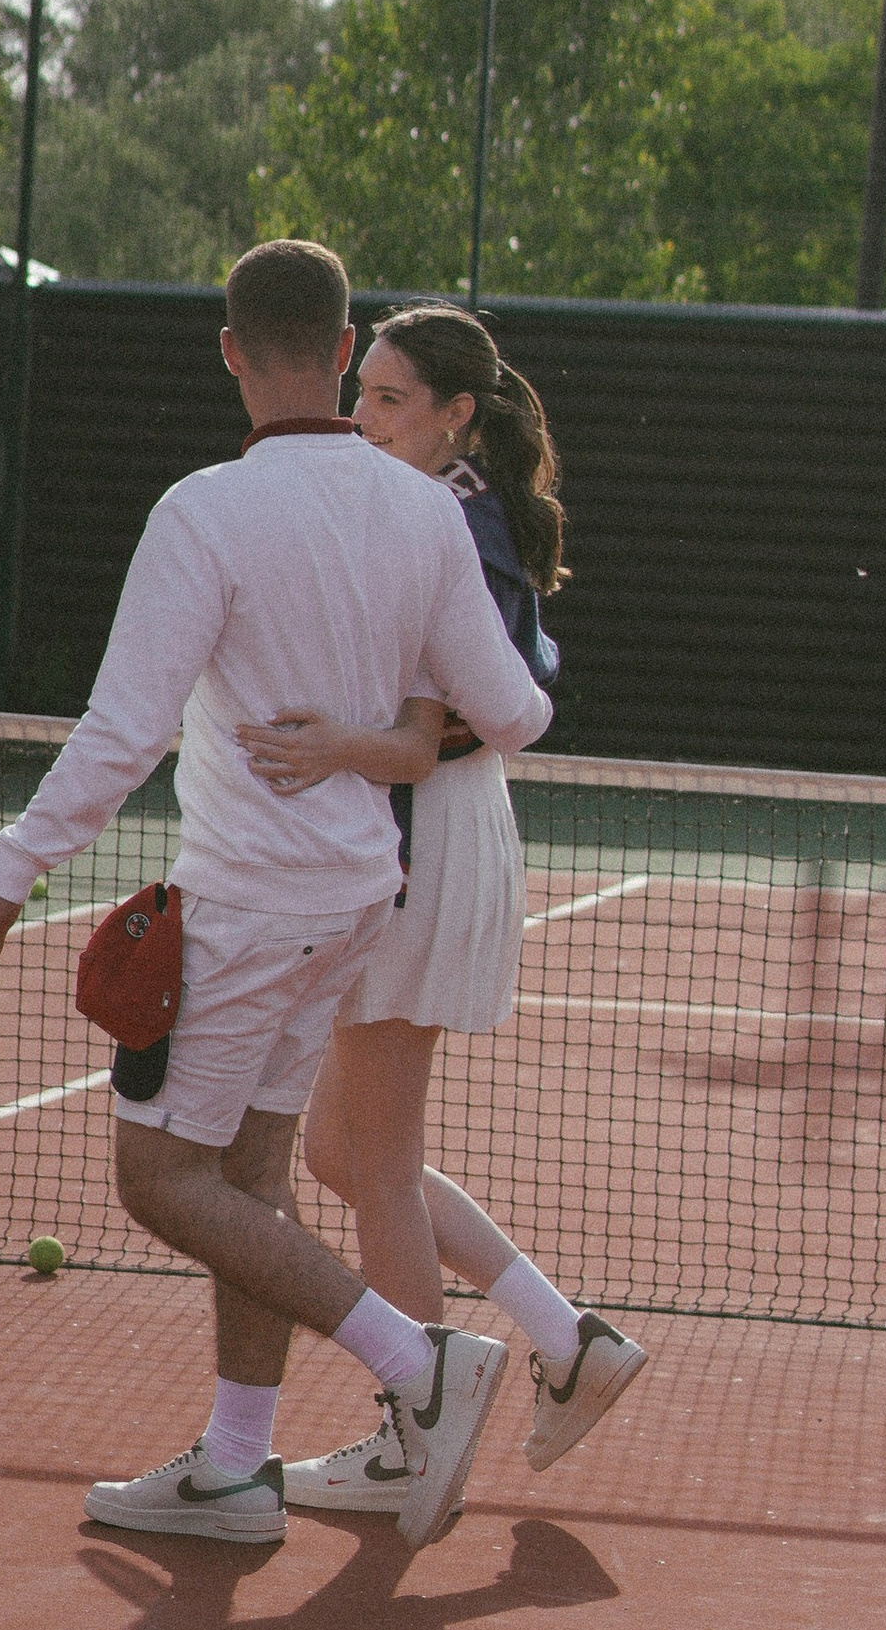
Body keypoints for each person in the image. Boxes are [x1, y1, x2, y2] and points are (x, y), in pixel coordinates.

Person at [0, 241, 552, 1552]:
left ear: (231, 352)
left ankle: (419, 1363)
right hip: (354, 900)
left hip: (250, 902)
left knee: (163, 1179)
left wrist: (10, 876)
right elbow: (518, 710)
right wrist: (393, 707)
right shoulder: (425, 513)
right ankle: (234, 1466)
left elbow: (123, 733)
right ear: (345, 354)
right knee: (255, 1176)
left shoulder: (205, 514)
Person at [235, 305, 647, 1517]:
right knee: (338, 1153)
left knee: (378, 1163)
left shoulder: (456, 519)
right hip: (417, 827)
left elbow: (494, 696)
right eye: (361, 394)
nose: (362, 418)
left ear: (456, 413)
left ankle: (416, 1433)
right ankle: (563, 1340)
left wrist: (340, 743)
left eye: (390, 400)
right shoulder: (433, 507)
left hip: (422, 837)